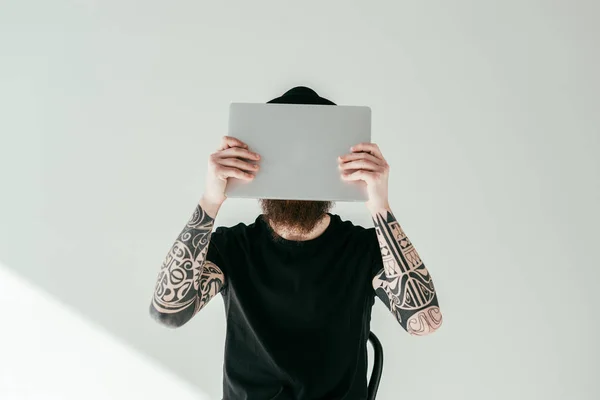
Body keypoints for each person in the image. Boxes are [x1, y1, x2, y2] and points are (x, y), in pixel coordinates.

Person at [149, 87, 443, 400]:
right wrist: (210, 200)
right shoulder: (233, 247)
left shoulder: (365, 249)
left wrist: (379, 205)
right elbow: (169, 312)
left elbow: (423, 322)